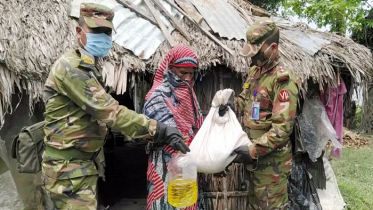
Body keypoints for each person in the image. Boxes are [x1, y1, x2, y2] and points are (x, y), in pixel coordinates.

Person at [42, 4, 189, 210]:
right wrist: (159, 130)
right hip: (69, 169)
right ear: (79, 31)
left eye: (107, 32)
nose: (103, 37)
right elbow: (111, 113)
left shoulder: (88, 66)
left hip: (80, 166)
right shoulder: (72, 69)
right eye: (96, 31)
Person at [229, 17, 300, 210]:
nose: (253, 59)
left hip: (272, 164)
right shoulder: (254, 73)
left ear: (273, 48)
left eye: (257, 53)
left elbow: (282, 129)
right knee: (254, 205)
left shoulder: (282, 80)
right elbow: (244, 101)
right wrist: (226, 103)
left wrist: (251, 151)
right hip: (254, 158)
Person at [143, 45, 204, 210]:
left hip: (186, 159)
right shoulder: (157, 95)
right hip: (164, 161)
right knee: (165, 202)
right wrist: (175, 137)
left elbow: (195, 126)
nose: (188, 78)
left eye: (191, 73)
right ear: (170, 68)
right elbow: (157, 127)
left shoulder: (190, 93)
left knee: (187, 201)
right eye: (182, 72)